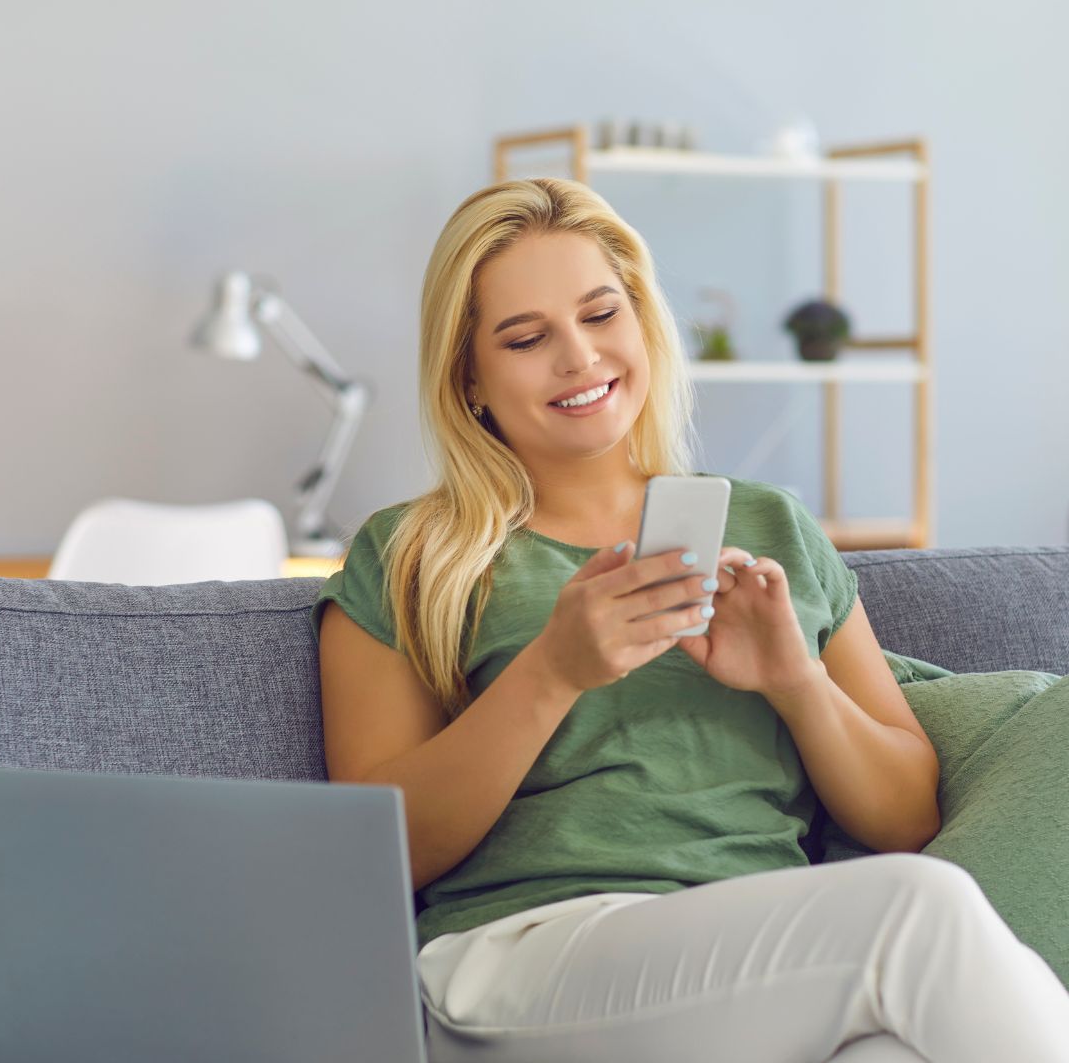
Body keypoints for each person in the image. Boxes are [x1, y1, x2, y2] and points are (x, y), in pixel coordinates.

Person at [310, 177, 1069, 1062]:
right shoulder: (414, 553)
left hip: (767, 966)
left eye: (601, 316)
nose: (579, 358)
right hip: (523, 959)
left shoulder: (772, 528)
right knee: (919, 908)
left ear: (642, 323)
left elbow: (906, 819)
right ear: (469, 375)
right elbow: (374, 854)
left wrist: (796, 682)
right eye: (526, 338)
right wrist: (553, 671)